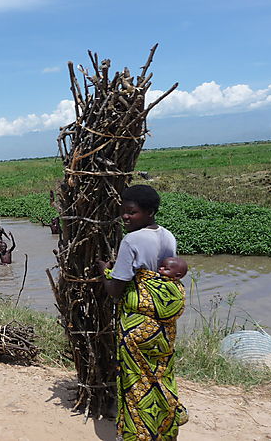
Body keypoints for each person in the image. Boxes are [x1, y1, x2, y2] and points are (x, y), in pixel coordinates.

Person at [96, 185, 186, 440]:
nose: (125, 217)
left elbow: (115, 289)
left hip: (138, 326)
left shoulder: (132, 240)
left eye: (132, 212)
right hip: (164, 328)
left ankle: (139, 435)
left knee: (136, 382)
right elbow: (165, 276)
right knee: (161, 375)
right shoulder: (168, 236)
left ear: (150, 212)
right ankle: (165, 429)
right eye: (123, 212)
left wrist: (105, 270)